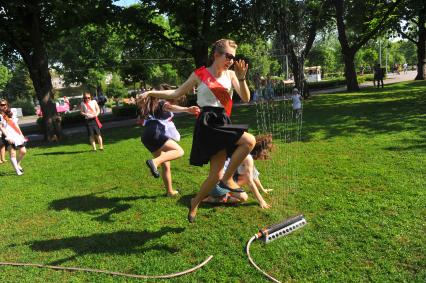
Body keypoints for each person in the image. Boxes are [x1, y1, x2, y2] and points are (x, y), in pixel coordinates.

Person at [143, 39, 256, 222]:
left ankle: (195, 202)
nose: (231, 60)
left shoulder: (232, 75)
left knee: (215, 175)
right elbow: (175, 94)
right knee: (249, 141)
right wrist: (150, 93)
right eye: (228, 56)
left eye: (233, 58)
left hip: (223, 120)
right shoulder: (200, 74)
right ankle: (228, 179)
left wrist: (242, 78)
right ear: (216, 55)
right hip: (207, 122)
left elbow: (246, 97)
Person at [138, 84, 200, 197]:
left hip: (146, 136)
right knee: (179, 151)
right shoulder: (162, 103)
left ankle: (169, 191)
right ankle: (154, 162)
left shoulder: (150, 105)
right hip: (155, 132)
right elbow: (171, 107)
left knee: (166, 164)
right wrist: (187, 109)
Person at [203, 135, 273, 208]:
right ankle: (214, 198)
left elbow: (254, 175)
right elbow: (250, 181)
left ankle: (223, 193)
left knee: (246, 177)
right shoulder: (248, 158)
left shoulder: (242, 152)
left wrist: (262, 189)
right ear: (259, 150)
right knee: (244, 197)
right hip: (217, 186)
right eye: (265, 152)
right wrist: (261, 201)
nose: (265, 155)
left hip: (211, 183)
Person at [0, 99, 27, 175]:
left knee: (23, 151)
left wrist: (21, 134)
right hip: (7, 136)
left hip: (16, 135)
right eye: (2, 105)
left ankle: (17, 164)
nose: (4, 106)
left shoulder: (11, 113)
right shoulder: (0, 115)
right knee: (12, 153)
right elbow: (1, 127)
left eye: (5, 104)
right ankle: (17, 171)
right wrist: (8, 137)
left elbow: (16, 124)